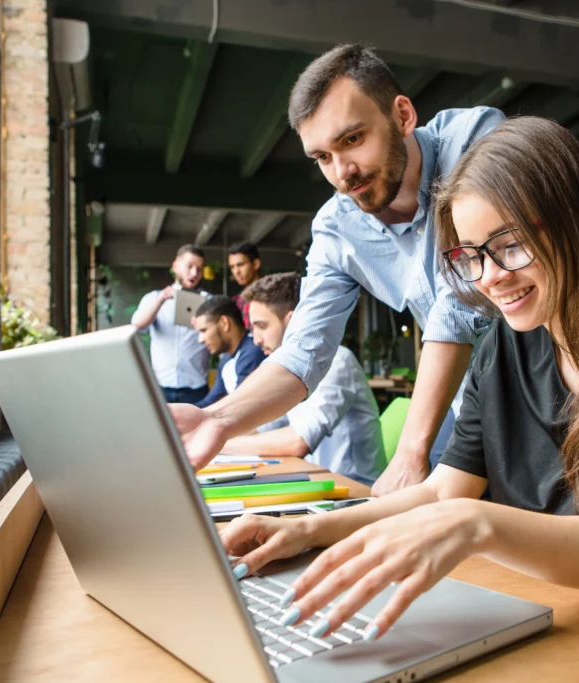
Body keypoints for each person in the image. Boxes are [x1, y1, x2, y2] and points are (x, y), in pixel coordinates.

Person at [218, 117, 579, 643]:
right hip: (551, 619)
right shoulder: (506, 344)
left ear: (576, 221)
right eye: (470, 257)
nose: (490, 277)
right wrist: (307, 529)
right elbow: (445, 491)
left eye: (509, 246)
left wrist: (477, 524)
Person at [169, 44, 505, 495]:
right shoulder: (336, 227)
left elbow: (463, 296)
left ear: (403, 115)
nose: (342, 172)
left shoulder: (476, 140)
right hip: (477, 414)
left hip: (569, 391)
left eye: (352, 139)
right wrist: (218, 419)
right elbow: (304, 351)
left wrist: (410, 451)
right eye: (322, 157)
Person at [221, 273, 384, 486]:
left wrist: (218, 444)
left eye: (262, 326)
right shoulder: (289, 370)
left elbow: (297, 441)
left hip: (357, 490)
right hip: (322, 483)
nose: (257, 339)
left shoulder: (337, 361)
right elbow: (263, 424)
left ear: (293, 322)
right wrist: (223, 432)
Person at [131, 245, 211, 404]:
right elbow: (137, 326)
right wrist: (161, 299)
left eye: (199, 269)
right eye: (189, 266)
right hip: (159, 387)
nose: (194, 273)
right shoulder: (153, 297)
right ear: (175, 266)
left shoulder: (209, 301)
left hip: (196, 388)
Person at [193, 297, 267, 409]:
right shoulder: (226, 358)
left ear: (224, 323)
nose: (200, 339)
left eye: (204, 330)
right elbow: (212, 400)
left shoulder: (253, 352)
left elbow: (239, 405)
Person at [229, 242, 263, 328]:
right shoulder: (238, 300)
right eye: (232, 267)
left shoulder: (273, 294)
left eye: (240, 265)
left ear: (255, 264)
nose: (236, 272)